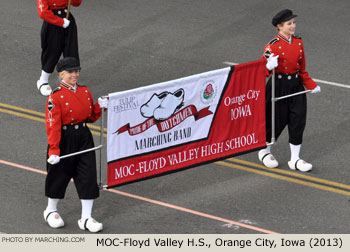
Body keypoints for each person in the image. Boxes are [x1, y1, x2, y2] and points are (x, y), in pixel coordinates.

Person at [44, 57, 108, 232]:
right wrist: (54, 150)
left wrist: (99, 107)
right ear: (61, 74)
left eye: (77, 71)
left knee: (87, 175)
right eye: (71, 72)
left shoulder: (84, 91)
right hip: (64, 139)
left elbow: (90, 117)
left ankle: (86, 218)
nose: (75, 75)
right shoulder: (55, 97)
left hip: (84, 137)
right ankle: (51, 210)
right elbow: (53, 125)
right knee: (59, 175)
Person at [259, 9, 321, 172]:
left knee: (298, 120)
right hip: (278, 87)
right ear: (279, 26)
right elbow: (261, 72)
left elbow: (302, 69)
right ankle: (264, 150)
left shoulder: (298, 42)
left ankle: (295, 159)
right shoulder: (272, 45)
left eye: (293, 22)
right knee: (275, 120)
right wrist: (267, 66)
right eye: (289, 23)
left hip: (295, 85)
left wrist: (311, 84)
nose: (293, 26)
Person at [36, 0, 82, 96]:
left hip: (67, 19)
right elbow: (43, 12)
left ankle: (70, 81)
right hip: (52, 22)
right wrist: (60, 22)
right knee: (51, 52)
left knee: (71, 51)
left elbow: (76, 3)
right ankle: (43, 80)